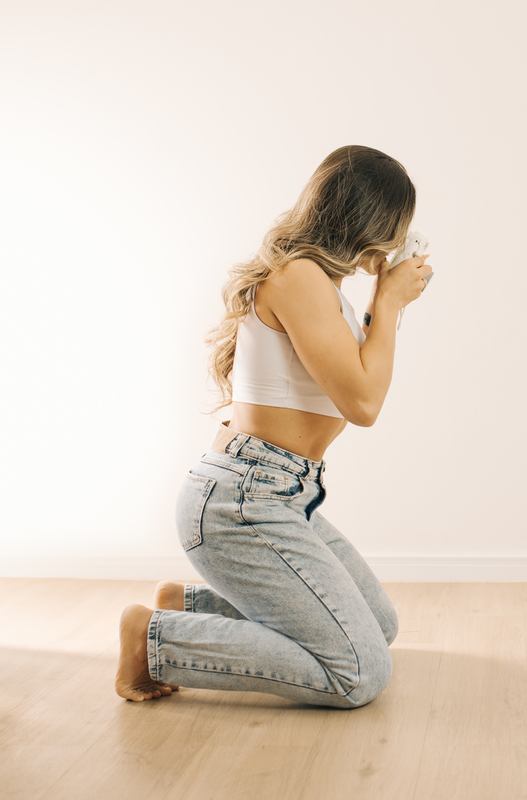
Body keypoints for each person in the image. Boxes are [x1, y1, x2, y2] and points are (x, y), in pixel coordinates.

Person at [115, 145, 432, 705]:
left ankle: (185, 606)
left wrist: (385, 305)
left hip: (281, 494)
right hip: (241, 501)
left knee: (378, 627)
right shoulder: (298, 277)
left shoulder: (321, 287)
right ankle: (155, 639)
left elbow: (362, 384)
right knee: (359, 675)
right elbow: (363, 404)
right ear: (372, 220)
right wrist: (386, 303)